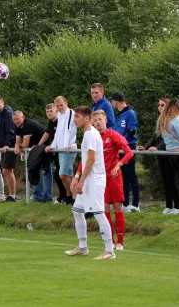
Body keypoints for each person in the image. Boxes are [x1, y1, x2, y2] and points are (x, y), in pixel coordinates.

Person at [77, 110, 133, 250]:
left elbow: (129, 153)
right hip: (99, 178)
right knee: (105, 208)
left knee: (118, 206)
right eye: (95, 120)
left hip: (113, 177)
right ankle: (111, 241)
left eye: (100, 120)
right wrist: (77, 176)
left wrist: (118, 165)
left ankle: (120, 241)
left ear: (106, 120)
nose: (97, 122)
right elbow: (85, 159)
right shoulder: (93, 136)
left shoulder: (113, 135)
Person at [65, 106, 115, 260]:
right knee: (77, 210)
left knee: (99, 213)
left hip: (95, 181)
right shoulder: (87, 134)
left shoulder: (91, 135)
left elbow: (92, 159)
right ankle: (83, 246)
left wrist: (81, 181)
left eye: (77, 117)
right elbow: (86, 159)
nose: (74, 120)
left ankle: (109, 251)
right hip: (88, 180)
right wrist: (77, 176)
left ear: (86, 119)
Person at [138, 98, 179, 214]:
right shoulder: (160, 120)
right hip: (161, 155)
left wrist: (157, 148)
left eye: (163, 105)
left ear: (168, 107)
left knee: (172, 180)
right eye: (159, 105)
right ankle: (169, 206)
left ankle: (178, 207)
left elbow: (168, 139)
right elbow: (155, 136)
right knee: (166, 180)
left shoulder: (172, 120)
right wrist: (145, 147)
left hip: (171, 154)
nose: (160, 107)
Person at [111, 92, 140, 212]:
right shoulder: (119, 115)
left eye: (112, 101)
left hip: (128, 146)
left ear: (116, 101)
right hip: (119, 148)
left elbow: (131, 131)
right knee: (122, 177)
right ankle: (126, 203)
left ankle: (136, 204)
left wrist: (122, 141)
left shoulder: (130, 113)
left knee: (131, 175)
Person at [46, 96, 77, 205]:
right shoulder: (59, 115)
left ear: (66, 104)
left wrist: (68, 145)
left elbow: (70, 130)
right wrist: (53, 145)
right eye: (57, 106)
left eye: (61, 105)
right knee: (69, 175)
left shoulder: (71, 114)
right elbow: (58, 133)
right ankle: (71, 197)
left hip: (68, 149)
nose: (59, 107)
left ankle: (73, 196)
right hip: (61, 149)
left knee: (63, 175)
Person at [13, 111, 50, 202]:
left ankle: (41, 197)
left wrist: (18, 147)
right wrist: (17, 146)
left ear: (23, 117)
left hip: (43, 148)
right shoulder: (18, 127)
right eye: (14, 120)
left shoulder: (27, 125)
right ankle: (38, 196)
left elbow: (25, 144)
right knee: (34, 171)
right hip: (36, 149)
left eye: (17, 119)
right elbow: (17, 142)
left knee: (40, 171)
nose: (16, 121)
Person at [37, 103, 69, 204]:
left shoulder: (61, 120)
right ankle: (62, 196)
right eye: (47, 112)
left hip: (63, 150)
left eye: (51, 111)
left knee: (63, 175)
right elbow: (47, 133)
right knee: (57, 175)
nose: (49, 113)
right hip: (55, 152)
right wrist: (38, 145)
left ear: (56, 111)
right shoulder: (51, 122)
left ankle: (69, 196)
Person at [0, 96, 17, 202]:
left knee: (7, 170)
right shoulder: (0, 114)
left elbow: (11, 130)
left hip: (10, 145)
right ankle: (12, 195)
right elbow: (0, 131)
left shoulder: (7, 113)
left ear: (3, 103)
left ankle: (12, 195)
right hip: (3, 145)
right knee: (8, 170)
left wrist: (7, 144)